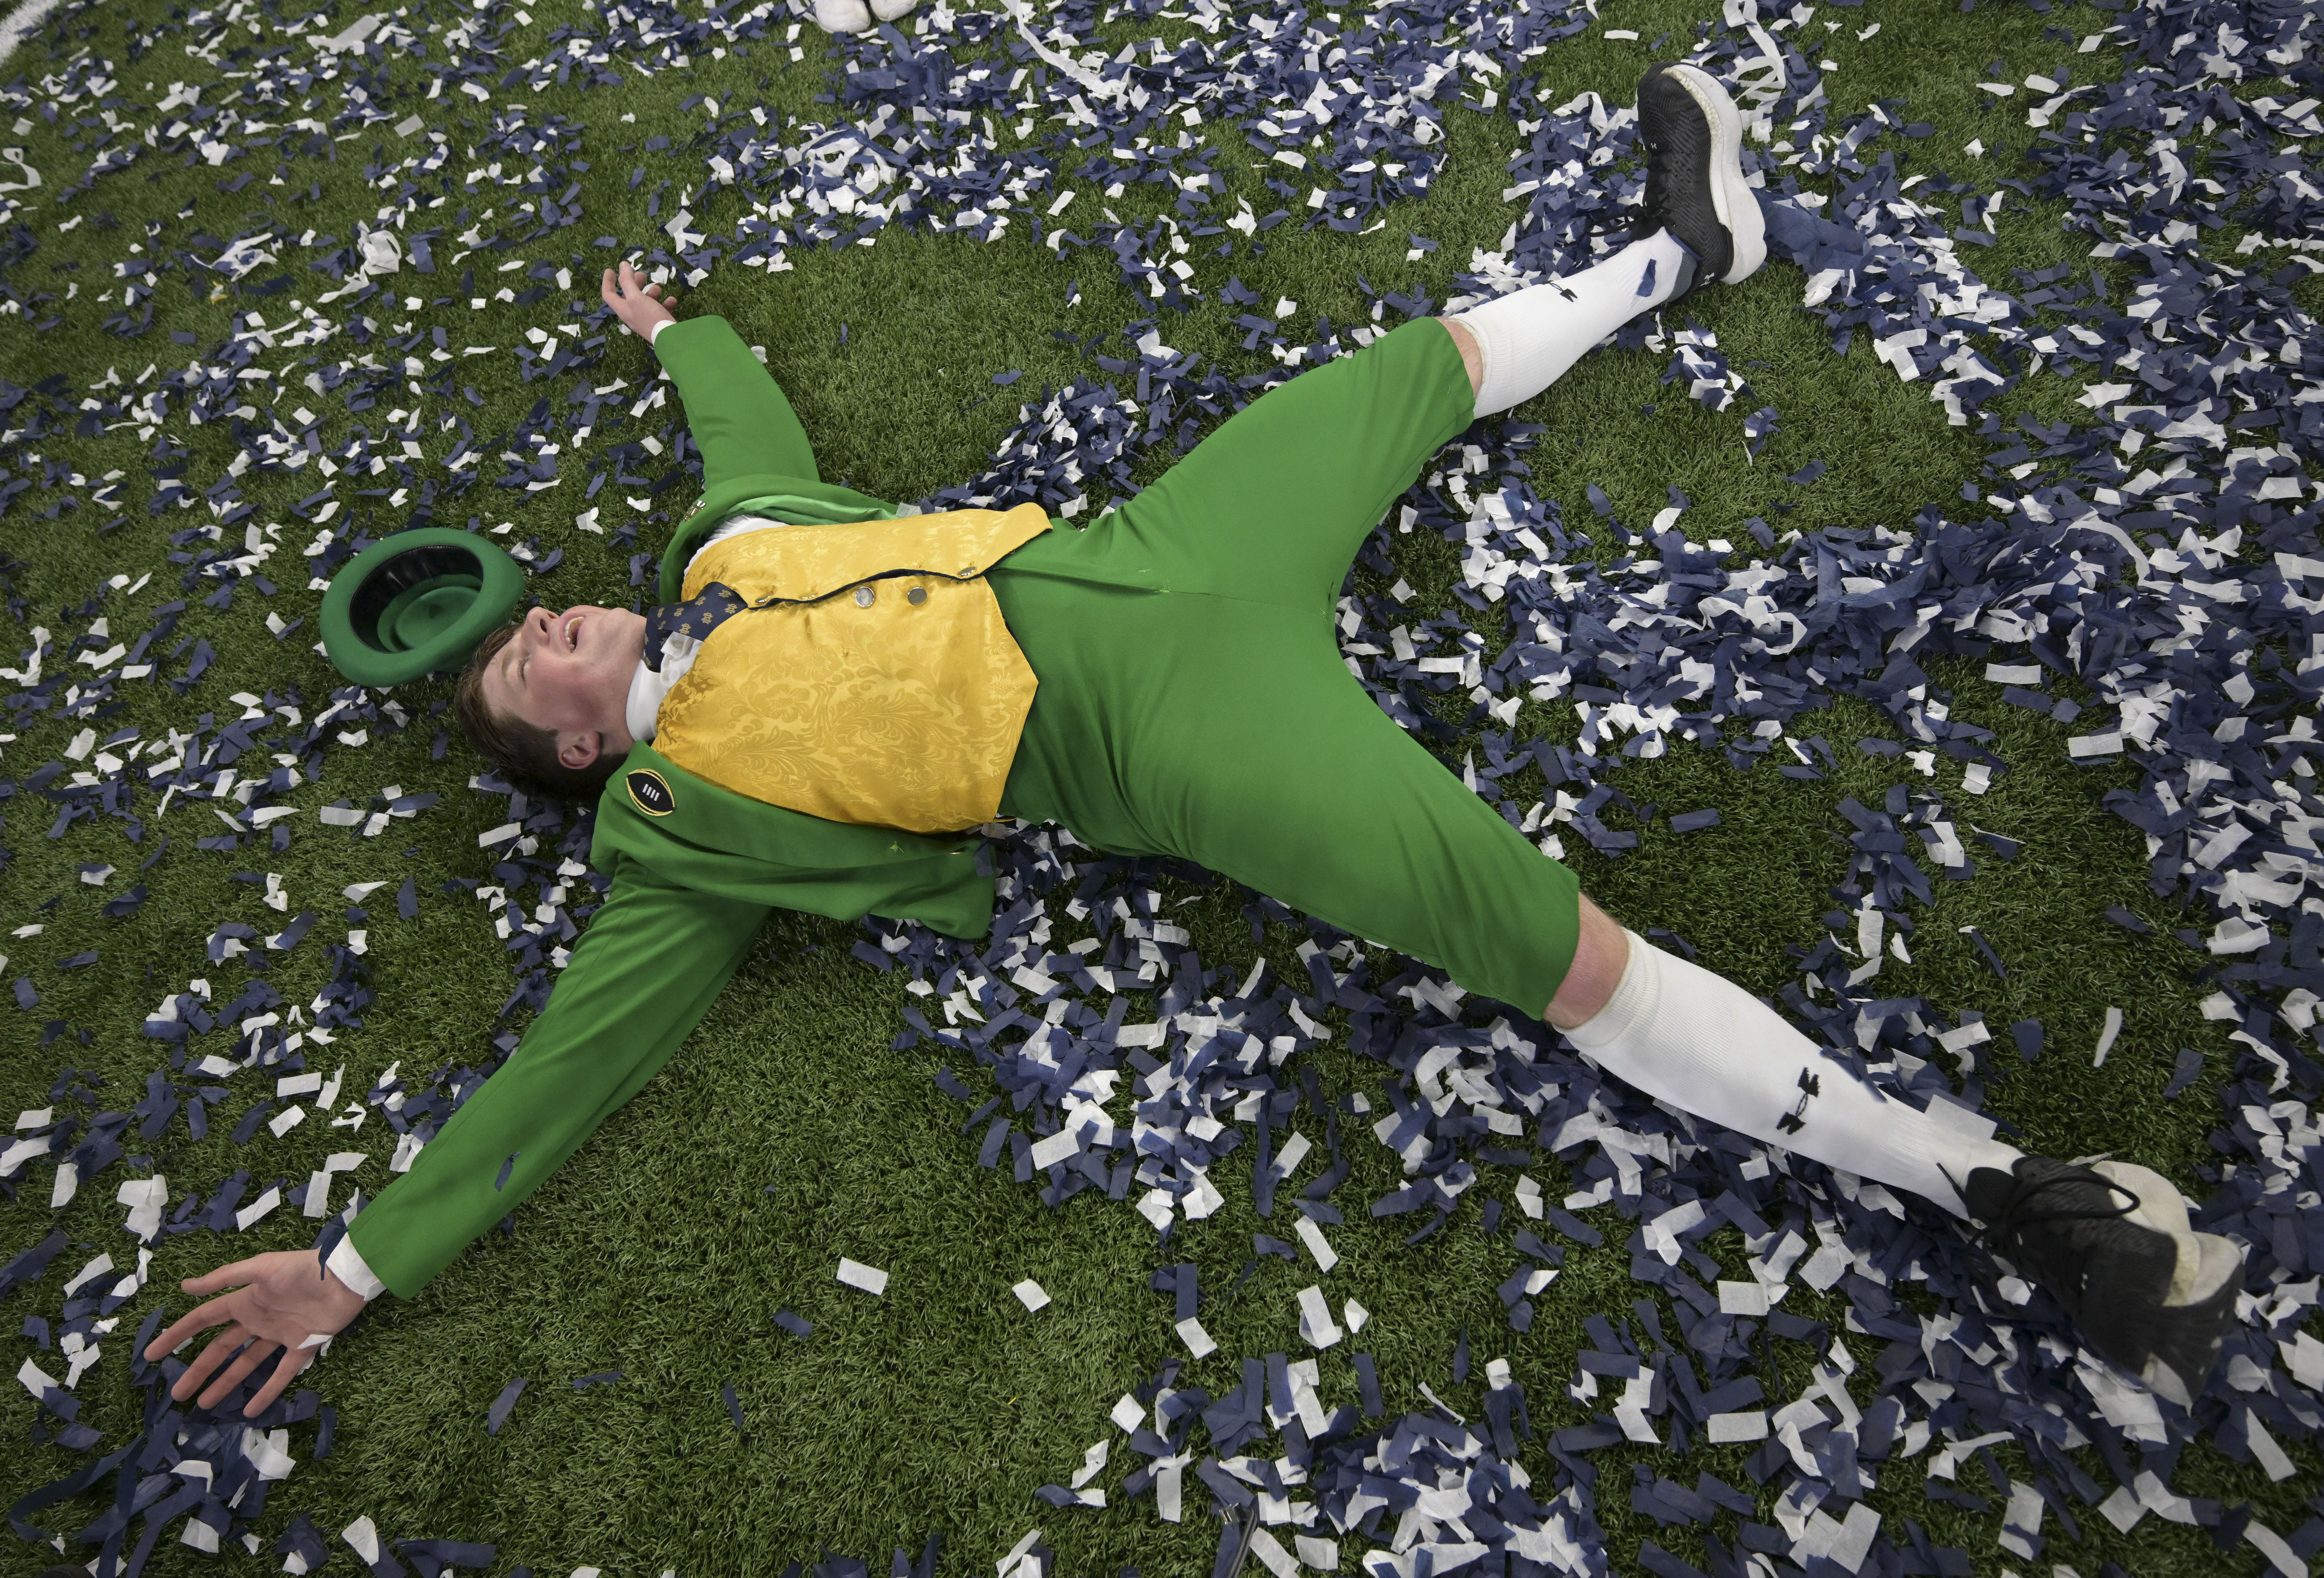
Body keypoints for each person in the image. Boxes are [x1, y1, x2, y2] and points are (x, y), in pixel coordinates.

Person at [147, 64, 2242, 1423]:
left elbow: (740, 429)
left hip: (1163, 544)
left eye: (532, 611)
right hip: (1166, 738)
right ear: (572, 758)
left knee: (1404, 370)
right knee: (1555, 954)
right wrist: (356, 1265)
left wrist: (676, 332)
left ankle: (1687, 246)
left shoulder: (725, 543)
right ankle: (1988, 1186)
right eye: (521, 668)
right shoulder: (678, 825)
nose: (544, 622)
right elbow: (568, 1060)